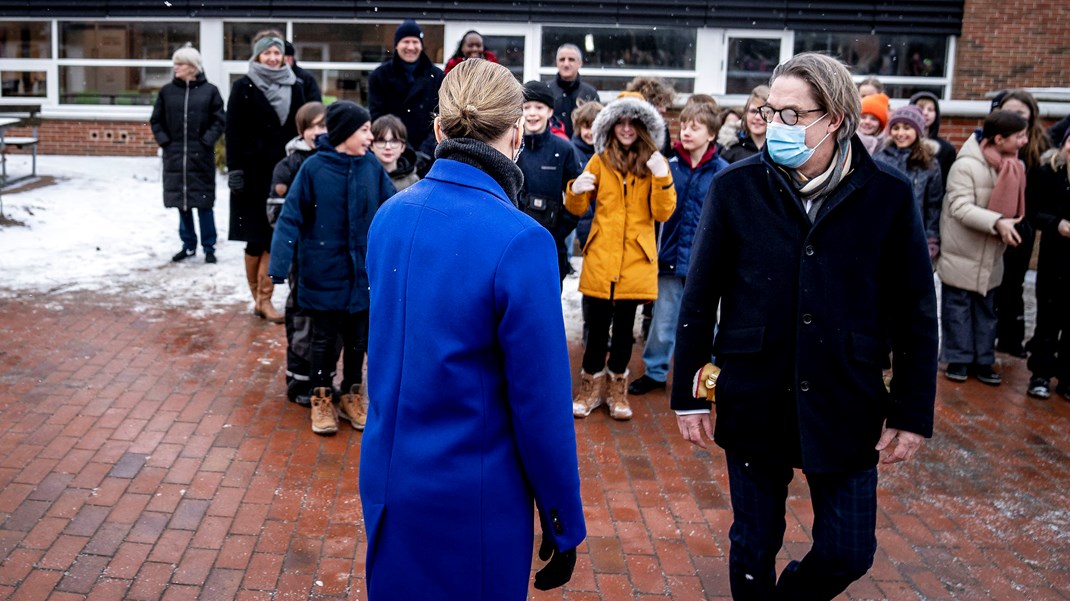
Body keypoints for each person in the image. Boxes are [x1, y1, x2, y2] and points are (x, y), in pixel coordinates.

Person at [672, 53, 938, 601]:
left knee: (848, 550)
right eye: (771, 112)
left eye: (793, 115)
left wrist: (912, 411)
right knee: (753, 540)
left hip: (848, 395)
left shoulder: (887, 194)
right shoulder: (736, 187)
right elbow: (700, 297)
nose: (775, 125)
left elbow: (915, 309)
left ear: (835, 118)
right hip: (755, 391)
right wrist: (689, 395)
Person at [360, 58, 585, 599]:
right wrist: (562, 519)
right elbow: (541, 403)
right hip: (474, 495)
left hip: (391, 480)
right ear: (514, 136)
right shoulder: (522, 239)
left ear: (438, 130)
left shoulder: (389, 215)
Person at [269, 101, 395, 435]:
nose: (371, 137)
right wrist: (279, 265)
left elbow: (392, 210)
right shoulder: (314, 169)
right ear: (345, 133)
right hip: (322, 270)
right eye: (365, 130)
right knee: (323, 340)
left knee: (358, 338)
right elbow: (290, 218)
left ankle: (352, 393)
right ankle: (321, 396)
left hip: (362, 273)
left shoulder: (371, 167)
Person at [566, 94, 676, 421]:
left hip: (636, 261)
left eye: (633, 122)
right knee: (597, 330)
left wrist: (661, 178)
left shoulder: (656, 162)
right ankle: (589, 391)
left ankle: (617, 393)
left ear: (642, 126)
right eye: (621, 122)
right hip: (602, 257)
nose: (626, 129)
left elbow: (663, 212)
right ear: (611, 125)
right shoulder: (598, 160)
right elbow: (577, 209)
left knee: (625, 333)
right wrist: (575, 190)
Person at [628, 102, 727, 396]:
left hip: (706, 265)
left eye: (695, 127)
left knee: (707, 328)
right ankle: (656, 372)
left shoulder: (722, 173)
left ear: (711, 134)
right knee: (663, 323)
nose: (686, 132)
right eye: (684, 125)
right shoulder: (667, 167)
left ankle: (706, 383)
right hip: (669, 259)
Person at [937, 110, 1029, 386]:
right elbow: (960, 207)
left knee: (987, 312)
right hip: (962, 252)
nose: (1025, 141)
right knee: (958, 310)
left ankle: (983, 360)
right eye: (1019, 136)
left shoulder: (1012, 164)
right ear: (999, 139)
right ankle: (958, 359)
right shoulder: (966, 165)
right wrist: (998, 222)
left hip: (990, 253)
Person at [226, 30, 308, 324]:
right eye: (267, 53)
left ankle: (265, 299)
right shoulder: (243, 86)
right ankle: (258, 298)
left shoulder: (295, 86)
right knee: (254, 238)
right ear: (258, 56)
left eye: (277, 53)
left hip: (283, 173)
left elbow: (302, 129)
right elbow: (232, 130)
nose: (273, 58)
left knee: (275, 236)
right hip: (251, 173)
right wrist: (234, 168)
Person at [266, 101, 327, 407]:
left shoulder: (335, 159)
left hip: (330, 256)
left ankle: (322, 380)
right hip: (302, 256)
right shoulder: (288, 166)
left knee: (326, 321)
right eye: (313, 126)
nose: (320, 132)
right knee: (302, 316)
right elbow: (277, 215)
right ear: (302, 130)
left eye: (324, 125)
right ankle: (298, 378)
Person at [149, 44, 225, 265]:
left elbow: (219, 120)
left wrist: (205, 142)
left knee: (204, 205)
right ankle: (188, 244)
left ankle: (209, 247)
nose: (176, 67)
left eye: (180, 64)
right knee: (182, 205)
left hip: (200, 159)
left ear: (192, 67)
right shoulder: (167, 92)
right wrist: (166, 143)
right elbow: (156, 120)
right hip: (175, 159)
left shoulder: (210, 91)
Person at [991, 90, 1050, 358]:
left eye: (1020, 114)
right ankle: (986, 337)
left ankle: (1010, 338)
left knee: (1013, 284)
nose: (1014, 118)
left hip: (1023, 223)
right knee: (992, 282)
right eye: (1009, 111)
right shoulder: (990, 146)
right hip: (994, 222)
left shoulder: (1039, 150)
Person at [517, 80, 583, 286]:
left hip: (552, 246)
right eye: (526, 107)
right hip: (514, 244)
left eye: (539, 107)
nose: (532, 113)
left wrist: (558, 229)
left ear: (550, 111)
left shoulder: (564, 150)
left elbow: (577, 198)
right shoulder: (510, 146)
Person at [1026, 129, 1070, 399]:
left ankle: (1067, 377)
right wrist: (1057, 223)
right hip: (1054, 258)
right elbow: (1033, 210)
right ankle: (1040, 373)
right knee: (1048, 319)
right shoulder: (1048, 173)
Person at [873, 105, 944, 261]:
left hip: (915, 232)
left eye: (907, 128)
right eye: (896, 128)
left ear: (917, 131)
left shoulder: (929, 163)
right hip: (883, 232)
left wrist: (932, 238)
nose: (900, 133)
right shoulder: (879, 158)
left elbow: (934, 204)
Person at [368, 19, 444, 161]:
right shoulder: (379, 76)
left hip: (429, 157)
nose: (410, 47)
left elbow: (442, 115)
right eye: (406, 42)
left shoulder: (437, 76)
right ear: (397, 45)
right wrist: (403, 147)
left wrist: (426, 151)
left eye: (415, 42)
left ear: (421, 46)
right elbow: (377, 116)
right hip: (392, 154)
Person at [547, 43, 599, 139]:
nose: (566, 64)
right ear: (556, 63)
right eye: (562, 59)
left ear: (580, 63)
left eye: (571, 59)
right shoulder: (546, 91)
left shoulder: (590, 93)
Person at [569, 100, 603, 250]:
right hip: (580, 220)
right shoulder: (572, 152)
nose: (591, 133)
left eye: (596, 127)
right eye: (587, 127)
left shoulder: (606, 154)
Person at [909, 91, 957, 186]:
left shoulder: (946, 149)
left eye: (930, 110)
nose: (925, 113)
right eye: (921, 108)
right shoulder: (901, 144)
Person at [370, 115, 420, 192]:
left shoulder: (413, 181)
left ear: (403, 146)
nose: (388, 147)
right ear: (371, 145)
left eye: (394, 141)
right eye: (381, 141)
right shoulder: (364, 178)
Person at [721, 85, 769, 163]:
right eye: (753, 111)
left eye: (763, 112)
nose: (757, 117)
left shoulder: (779, 152)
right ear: (745, 114)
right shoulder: (730, 151)